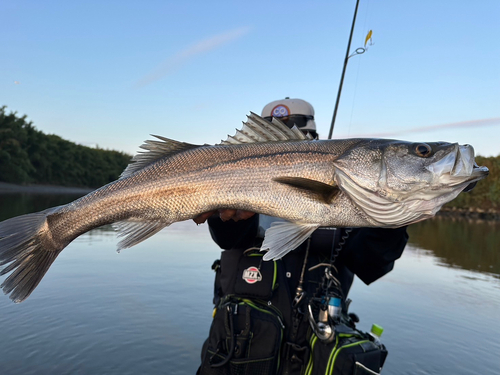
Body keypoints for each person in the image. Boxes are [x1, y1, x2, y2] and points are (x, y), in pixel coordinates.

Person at [195, 98, 408, 375]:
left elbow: (371, 263)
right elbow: (226, 237)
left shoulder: (352, 192)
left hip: (311, 355)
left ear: (314, 143)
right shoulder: (236, 178)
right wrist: (220, 208)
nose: (280, 155)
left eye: (294, 142)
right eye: (267, 146)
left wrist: (397, 211)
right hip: (235, 353)